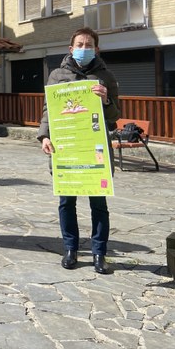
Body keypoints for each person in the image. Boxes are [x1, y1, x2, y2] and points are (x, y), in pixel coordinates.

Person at [37, 27, 120, 275]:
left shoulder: (106, 76)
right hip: (66, 148)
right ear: (71, 48)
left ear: (96, 49)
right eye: (80, 44)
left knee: (98, 204)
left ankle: (99, 253)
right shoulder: (57, 75)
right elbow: (47, 110)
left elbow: (115, 116)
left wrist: (105, 101)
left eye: (89, 44)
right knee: (66, 202)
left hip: (94, 149)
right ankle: (70, 249)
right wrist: (44, 136)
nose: (84, 48)